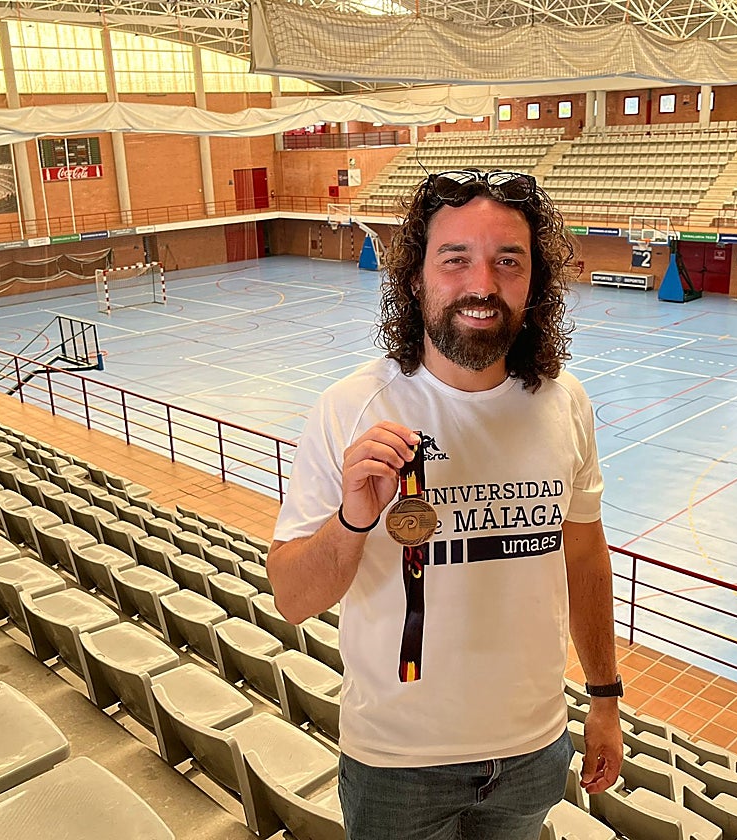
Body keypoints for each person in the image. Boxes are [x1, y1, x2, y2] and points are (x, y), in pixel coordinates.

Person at [267, 168, 622, 840]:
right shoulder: (351, 408)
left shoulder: (565, 402)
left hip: (532, 750)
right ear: (415, 278)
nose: (482, 285)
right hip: (397, 762)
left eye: (506, 261)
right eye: (455, 259)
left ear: (535, 283)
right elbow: (291, 598)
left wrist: (604, 698)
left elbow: (584, 555)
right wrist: (352, 519)